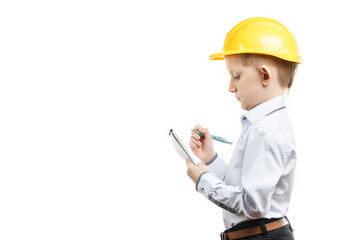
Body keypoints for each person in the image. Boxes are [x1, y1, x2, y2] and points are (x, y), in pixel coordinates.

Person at [186, 17, 301, 240]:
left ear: (265, 75)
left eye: (236, 76)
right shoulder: (264, 125)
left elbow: (252, 204)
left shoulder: (266, 131)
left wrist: (203, 180)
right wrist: (210, 160)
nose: (231, 87)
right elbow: (244, 188)